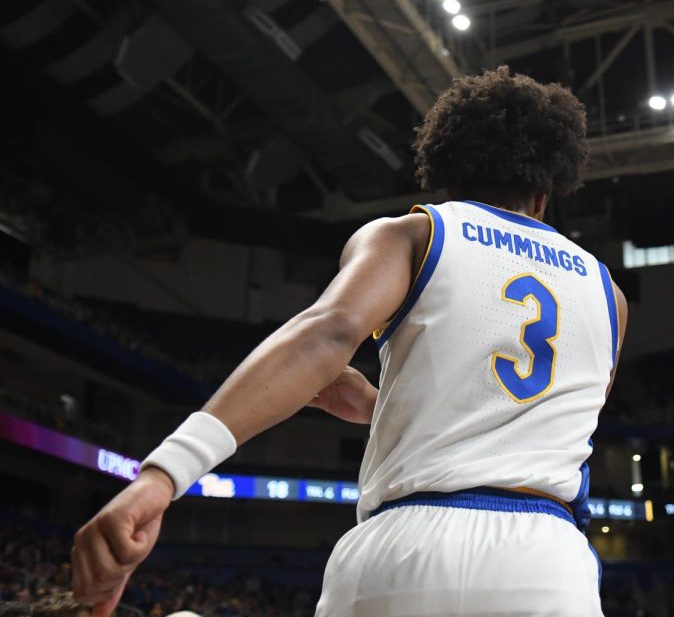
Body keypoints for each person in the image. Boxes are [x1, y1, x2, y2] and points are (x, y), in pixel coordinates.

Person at [71, 67, 628, 617]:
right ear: (545, 190)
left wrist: (164, 474)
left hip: (406, 548)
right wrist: (379, 405)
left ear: (449, 180)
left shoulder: (417, 233)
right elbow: (533, 417)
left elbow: (325, 335)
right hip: (547, 564)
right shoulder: (609, 295)